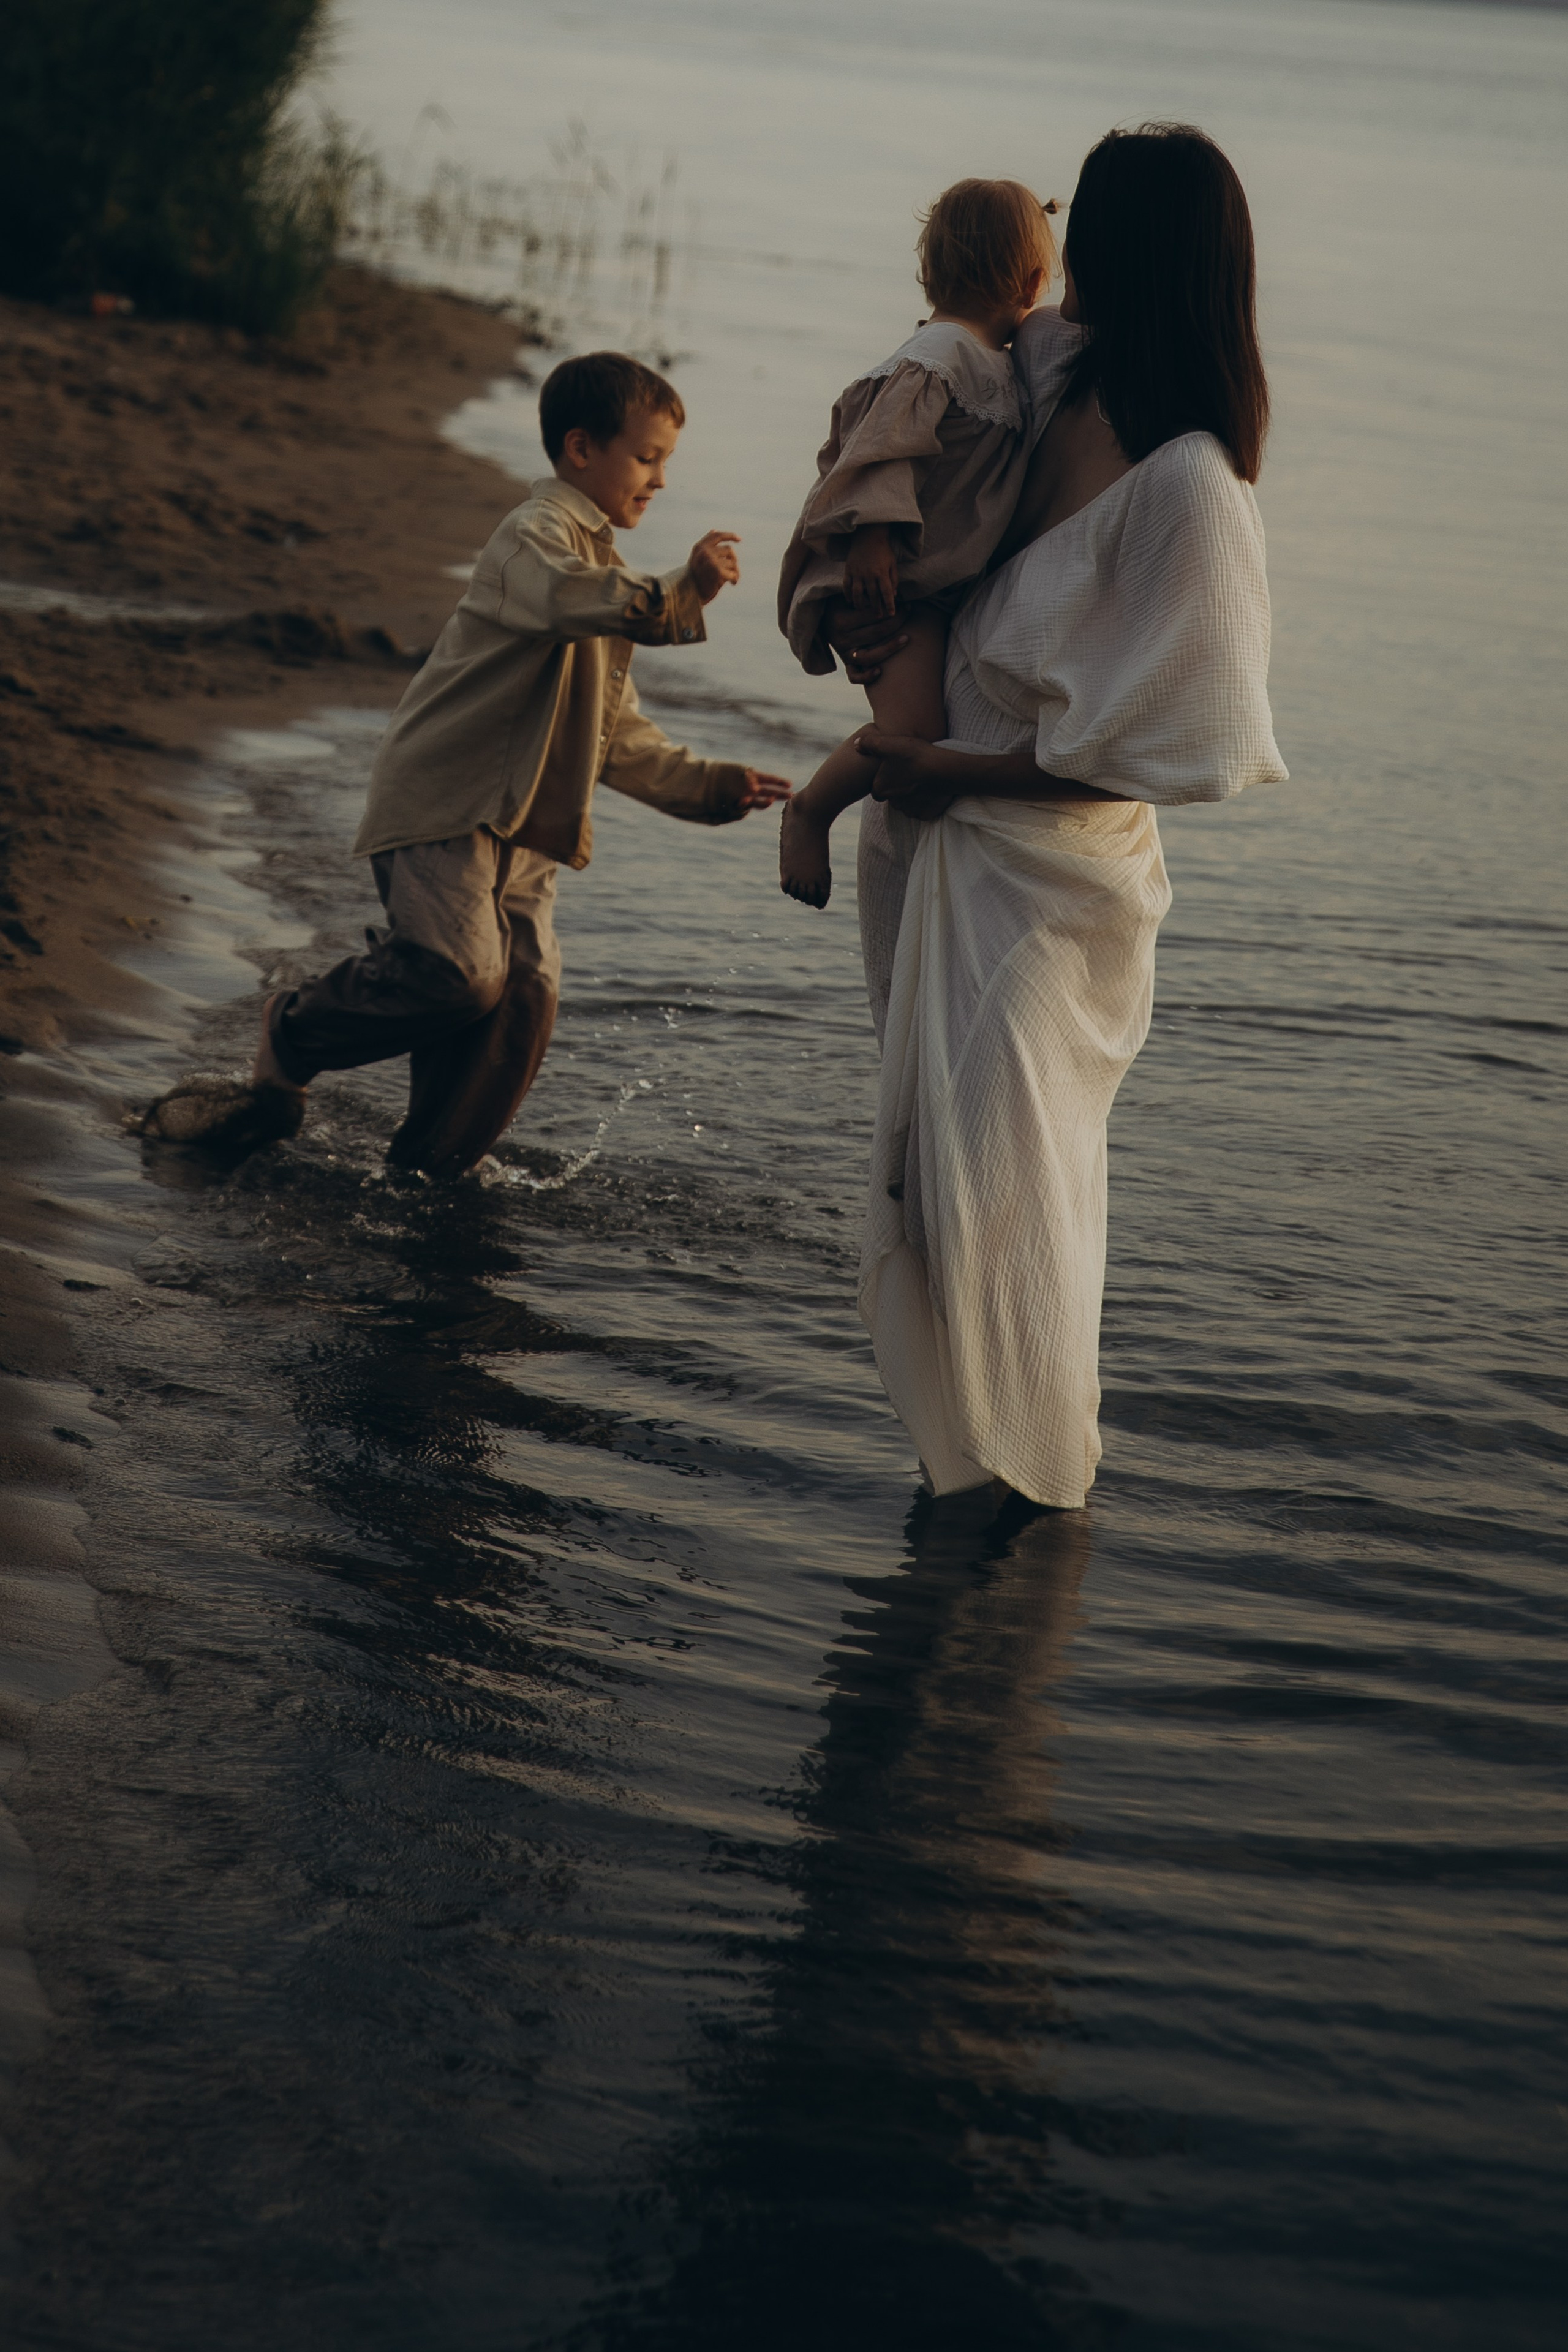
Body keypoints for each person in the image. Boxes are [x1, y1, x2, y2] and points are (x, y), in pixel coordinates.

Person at [825, 124, 1289, 1509]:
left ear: (1132, 248)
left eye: (1084, 219)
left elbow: (1170, 743)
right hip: (928, 849)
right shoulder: (1043, 376)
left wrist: (952, 772)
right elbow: (892, 422)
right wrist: (860, 570)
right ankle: (950, 1469)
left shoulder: (1193, 486)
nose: (1058, 243)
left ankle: (1024, 1494)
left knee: (1003, 1189)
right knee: (921, 1174)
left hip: (1040, 883)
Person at [251, 351, 790, 1178]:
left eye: (666, 463)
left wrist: (713, 785)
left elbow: (617, 736)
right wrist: (682, 590)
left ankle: (425, 1171)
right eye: (647, 458)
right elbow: (575, 597)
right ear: (581, 449)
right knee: (460, 976)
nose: (660, 480)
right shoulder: (534, 543)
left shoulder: (601, 572)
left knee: (522, 1001)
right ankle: (295, 1029)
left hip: (530, 830)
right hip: (448, 809)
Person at [775, 179, 1057, 908]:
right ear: (1033, 280)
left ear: (928, 268)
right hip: (885, 576)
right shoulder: (939, 353)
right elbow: (886, 444)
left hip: (921, 583)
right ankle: (811, 809)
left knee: (922, 738)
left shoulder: (985, 360)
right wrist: (874, 536)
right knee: (914, 733)